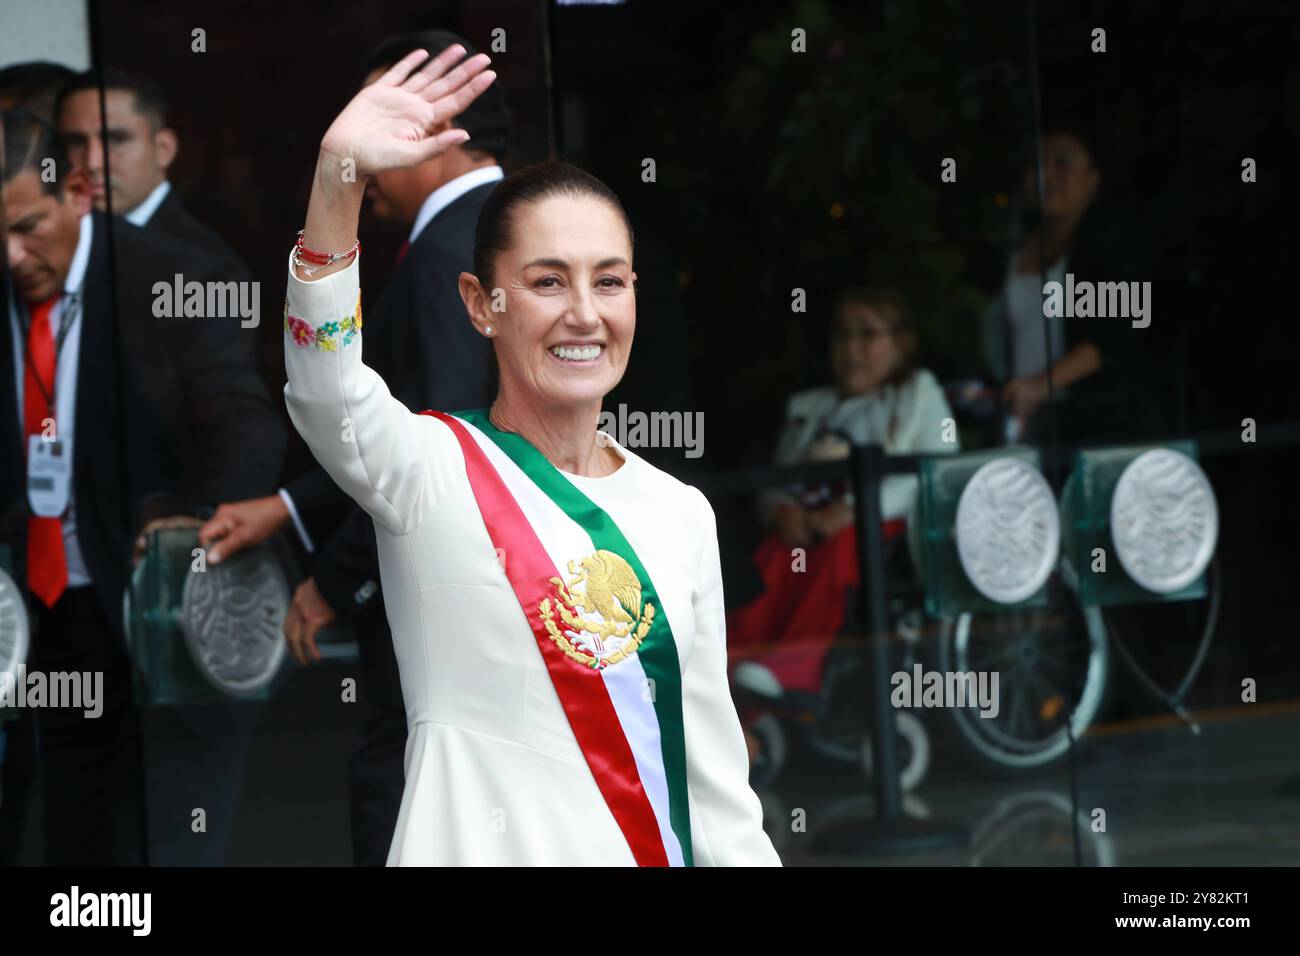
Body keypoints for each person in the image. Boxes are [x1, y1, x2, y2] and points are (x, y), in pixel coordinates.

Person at [277, 45, 778, 865]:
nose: (584, 313)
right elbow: (323, 384)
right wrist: (341, 176)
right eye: (548, 282)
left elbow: (718, 786)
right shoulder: (429, 471)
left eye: (609, 281)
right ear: (482, 304)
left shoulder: (682, 514)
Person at [198, 29, 511, 865]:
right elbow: (394, 424)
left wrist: (334, 580)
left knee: (403, 785)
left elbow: (440, 445)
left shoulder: (457, 251)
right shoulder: (486, 235)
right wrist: (291, 506)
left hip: (443, 613)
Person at [0, 109, 284, 865]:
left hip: (164, 605)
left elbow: (242, 418)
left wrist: (198, 522)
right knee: (77, 850)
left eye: (29, 225)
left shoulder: (173, 276)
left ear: (81, 191)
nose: (13, 254)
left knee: (164, 849)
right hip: (54, 619)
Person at [726, 290, 957, 757]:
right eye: (844, 336)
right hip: (811, 527)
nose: (852, 350)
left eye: (867, 336)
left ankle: (795, 670)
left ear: (900, 344)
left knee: (843, 544)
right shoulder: (811, 406)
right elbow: (781, 480)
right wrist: (782, 510)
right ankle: (731, 672)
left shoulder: (919, 395)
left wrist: (855, 509)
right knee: (775, 554)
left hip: (879, 529)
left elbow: (933, 474)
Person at [983, 125, 1162, 444]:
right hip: (1029, 422)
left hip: (1101, 423)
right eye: (1036, 164)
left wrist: (1041, 384)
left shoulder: (1113, 246)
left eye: (1062, 163)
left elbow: (1115, 337)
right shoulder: (1010, 253)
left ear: (1092, 180)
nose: (1046, 174)